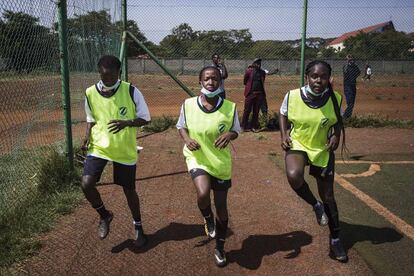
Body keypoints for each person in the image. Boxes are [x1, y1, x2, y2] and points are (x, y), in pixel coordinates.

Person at [279, 60, 348, 263]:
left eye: (323, 76)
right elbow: (282, 114)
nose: (319, 80)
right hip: (299, 142)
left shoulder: (335, 98)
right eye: (315, 76)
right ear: (307, 77)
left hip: (322, 148)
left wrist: (335, 135)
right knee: (294, 176)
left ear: (329, 78)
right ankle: (314, 205)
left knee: (328, 196)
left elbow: (338, 120)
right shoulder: (292, 95)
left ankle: (335, 239)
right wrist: (284, 135)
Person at [81, 55, 151, 247]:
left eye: (112, 75)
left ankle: (138, 226)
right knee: (87, 184)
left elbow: (145, 118)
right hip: (99, 146)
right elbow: (90, 118)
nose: (108, 79)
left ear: (119, 72)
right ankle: (104, 215)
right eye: (104, 76)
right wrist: (87, 136)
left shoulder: (131, 91)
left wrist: (126, 123)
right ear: (99, 72)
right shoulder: (89, 92)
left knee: (129, 190)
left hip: (123, 148)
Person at [176, 66, 240, 267]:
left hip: (220, 162)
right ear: (200, 82)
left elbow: (236, 130)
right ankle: (207, 217)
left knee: (222, 208)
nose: (210, 82)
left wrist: (229, 135)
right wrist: (186, 140)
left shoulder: (230, 107)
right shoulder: (188, 104)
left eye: (215, 79)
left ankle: (220, 247)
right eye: (207, 79)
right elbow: (181, 126)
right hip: (198, 158)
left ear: (220, 82)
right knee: (203, 194)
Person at [241, 58, 267, 131]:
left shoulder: (262, 72)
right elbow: (245, 81)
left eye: (259, 63)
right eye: (257, 63)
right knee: (247, 110)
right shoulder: (249, 71)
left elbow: (262, 82)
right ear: (254, 64)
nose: (258, 65)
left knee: (256, 111)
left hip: (259, 94)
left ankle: (254, 126)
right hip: (250, 93)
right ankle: (243, 126)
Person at [342, 54, 361, 119]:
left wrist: (354, 77)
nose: (352, 61)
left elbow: (359, 72)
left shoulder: (355, 66)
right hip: (347, 85)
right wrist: (348, 60)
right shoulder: (346, 66)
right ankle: (345, 116)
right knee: (349, 101)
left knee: (352, 101)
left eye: (352, 59)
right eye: (350, 59)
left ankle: (348, 116)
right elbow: (345, 70)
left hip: (353, 85)